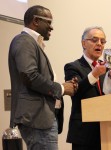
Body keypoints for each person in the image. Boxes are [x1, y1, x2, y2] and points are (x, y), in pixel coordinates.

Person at [8, 5, 78, 150]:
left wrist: (63, 86)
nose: (51, 28)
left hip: (40, 120)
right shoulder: (24, 41)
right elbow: (29, 76)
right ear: (36, 21)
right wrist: (61, 88)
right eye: (49, 22)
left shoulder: (32, 43)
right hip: (36, 120)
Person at [64, 26, 111, 150]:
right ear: (83, 43)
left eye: (102, 41)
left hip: (107, 131)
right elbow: (76, 91)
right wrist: (94, 74)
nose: (99, 44)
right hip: (84, 133)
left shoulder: (106, 68)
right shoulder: (72, 67)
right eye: (94, 40)